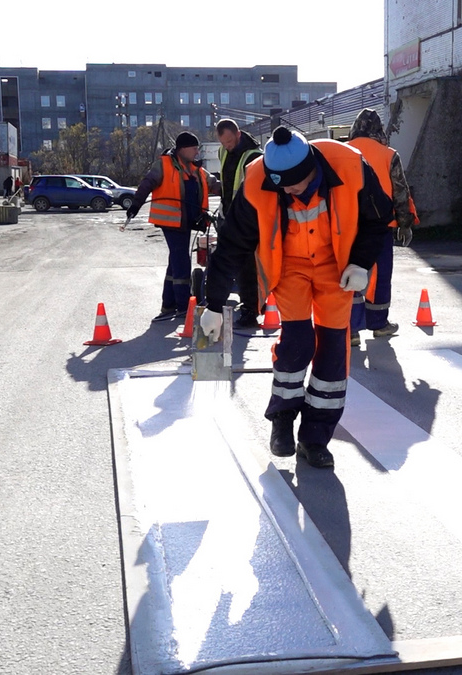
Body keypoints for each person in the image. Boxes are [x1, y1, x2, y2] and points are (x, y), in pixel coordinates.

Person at [200, 126, 392, 468]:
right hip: (289, 267)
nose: (288, 190)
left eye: (295, 184)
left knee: (334, 349)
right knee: (297, 342)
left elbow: (378, 219)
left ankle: (315, 438)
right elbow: (231, 244)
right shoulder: (259, 180)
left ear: (313, 170)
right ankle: (282, 420)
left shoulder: (349, 165)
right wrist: (214, 304)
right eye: (282, 186)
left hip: (337, 266)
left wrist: (361, 263)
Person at [346, 108, 418, 347]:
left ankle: (351, 329)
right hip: (380, 223)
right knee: (379, 275)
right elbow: (400, 190)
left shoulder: (344, 152)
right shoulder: (388, 154)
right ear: (378, 129)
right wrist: (404, 223)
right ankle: (378, 324)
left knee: (349, 272)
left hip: (347, 224)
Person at [127, 132, 210, 322]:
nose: (197, 151)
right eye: (194, 147)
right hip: (171, 222)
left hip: (187, 222)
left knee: (175, 261)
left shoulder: (194, 169)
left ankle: (168, 304)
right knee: (181, 260)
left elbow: (214, 184)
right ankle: (183, 306)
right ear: (182, 149)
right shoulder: (164, 165)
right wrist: (135, 205)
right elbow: (146, 184)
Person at [214, 118, 264, 328]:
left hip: (247, 218)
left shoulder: (254, 156)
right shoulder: (223, 152)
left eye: (229, 141)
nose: (227, 146)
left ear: (238, 134)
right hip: (228, 215)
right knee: (227, 261)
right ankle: (224, 305)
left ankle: (250, 310)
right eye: (223, 142)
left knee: (247, 266)